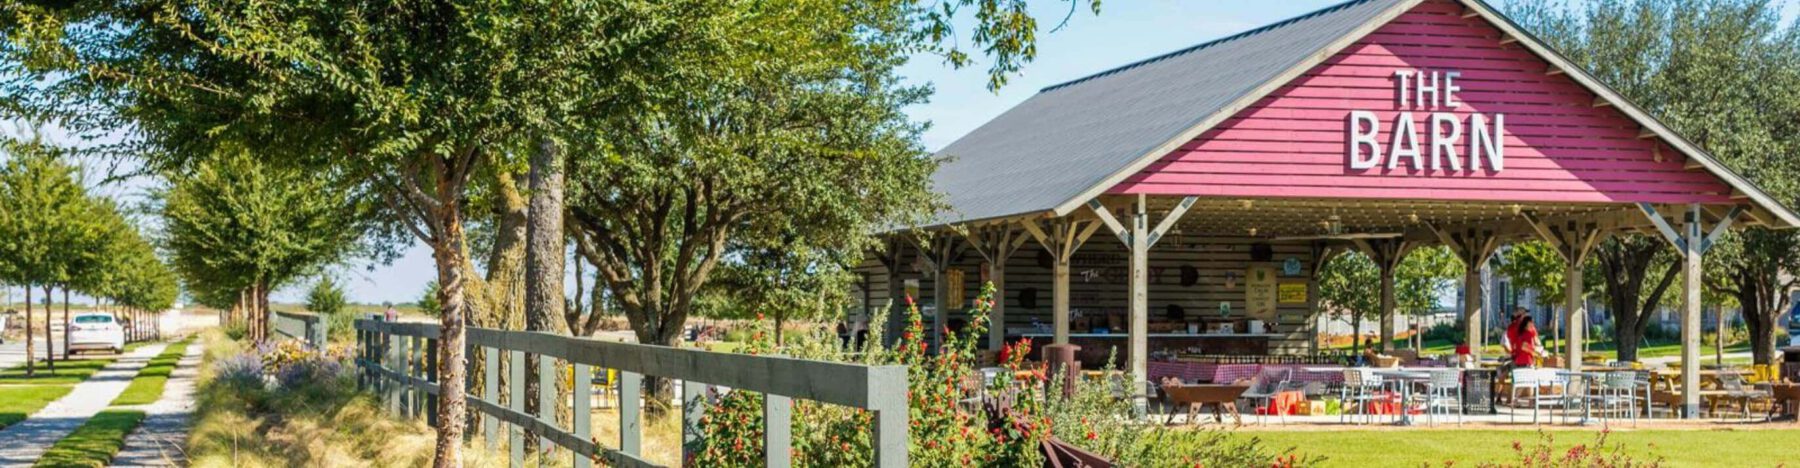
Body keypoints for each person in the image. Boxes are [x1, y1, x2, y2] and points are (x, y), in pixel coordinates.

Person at [1501, 307, 1540, 373]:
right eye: (1525, 313)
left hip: (1516, 358)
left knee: (1517, 380)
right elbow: (1537, 342)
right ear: (1522, 315)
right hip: (1527, 359)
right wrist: (1537, 352)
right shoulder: (1529, 327)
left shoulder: (1510, 328)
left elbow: (1510, 342)